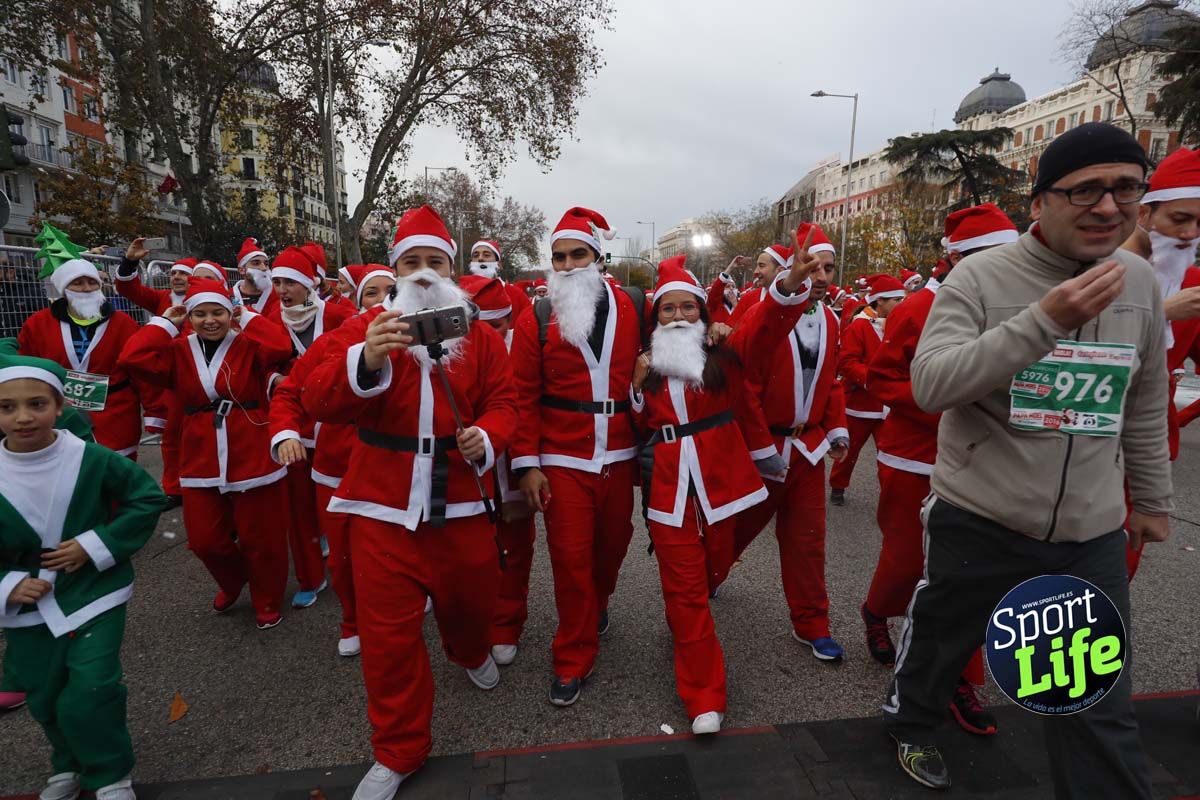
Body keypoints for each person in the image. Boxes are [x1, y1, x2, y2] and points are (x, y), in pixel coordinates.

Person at [884, 123, 1171, 796]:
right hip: (980, 515)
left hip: (1086, 535)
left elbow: (1145, 397)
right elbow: (933, 385)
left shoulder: (1139, 283)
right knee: (944, 644)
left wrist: (1152, 500)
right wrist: (1045, 320)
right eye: (1086, 190)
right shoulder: (980, 279)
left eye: (1127, 188)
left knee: (1092, 702)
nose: (1108, 207)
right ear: (1039, 203)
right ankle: (912, 724)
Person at [302, 205, 516, 800]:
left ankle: (469, 649)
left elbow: (506, 401)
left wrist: (490, 436)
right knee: (389, 638)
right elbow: (317, 395)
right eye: (412, 262)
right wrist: (366, 358)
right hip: (381, 506)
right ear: (395, 270)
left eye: (435, 262)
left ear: (451, 268)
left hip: (462, 504)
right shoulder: (363, 329)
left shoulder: (478, 336)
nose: (423, 273)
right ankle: (398, 749)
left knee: (472, 604)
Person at [631, 249, 815, 734]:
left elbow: (767, 326)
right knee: (686, 590)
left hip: (721, 486)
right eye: (667, 309)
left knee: (712, 567)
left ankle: (689, 619)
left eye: (687, 307)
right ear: (656, 317)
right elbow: (633, 429)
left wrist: (790, 282)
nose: (677, 317)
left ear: (702, 311)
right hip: (668, 491)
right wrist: (633, 391)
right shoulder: (644, 366)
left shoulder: (726, 355)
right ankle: (703, 696)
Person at [863, 205, 1017, 744]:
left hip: (981, 459)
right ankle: (877, 611)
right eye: (984, 257)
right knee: (906, 562)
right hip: (914, 458)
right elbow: (882, 378)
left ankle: (960, 680)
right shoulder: (916, 309)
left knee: (964, 575)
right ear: (954, 261)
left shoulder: (1022, 303)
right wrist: (946, 402)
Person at [0, 351, 164, 800]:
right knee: (45, 695)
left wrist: (95, 544)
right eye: (6, 407)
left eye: (37, 404)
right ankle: (68, 764)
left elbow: (146, 497)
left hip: (94, 593)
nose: (23, 417)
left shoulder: (90, 458)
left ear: (60, 407)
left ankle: (109, 773)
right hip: (26, 605)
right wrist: (7, 584)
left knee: (92, 688)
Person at [509, 206, 641, 707]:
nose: (566, 265)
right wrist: (528, 464)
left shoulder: (634, 305)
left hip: (621, 451)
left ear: (598, 257)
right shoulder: (535, 317)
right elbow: (521, 395)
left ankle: (598, 603)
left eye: (577, 254)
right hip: (562, 456)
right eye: (558, 257)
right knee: (568, 560)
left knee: (611, 547)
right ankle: (572, 654)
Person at [119, 277, 294, 630]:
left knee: (262, 538)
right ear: (189, 317)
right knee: (204, 540)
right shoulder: (178, 350)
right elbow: (131, 357)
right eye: (200, 314)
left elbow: (280, 346)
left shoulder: (249, 344)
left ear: (230, 313)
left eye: (218, 312)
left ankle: (267, 597)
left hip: (251, 449)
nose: (210, 320)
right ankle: (234, 580)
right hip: (200, 453)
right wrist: (166, 323)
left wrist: (244, 316)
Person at [725, 222, 848, 662]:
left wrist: (836, 429)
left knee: (808, 542)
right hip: (761, 450)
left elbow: (830, 380)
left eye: (828, 268)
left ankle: (813, 623)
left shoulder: (833, 319)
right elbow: (744, 383)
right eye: (812, 266)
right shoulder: (760, 310)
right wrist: (760, 450)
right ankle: (693, 596)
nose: (820, 276)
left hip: (808, 452)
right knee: (733, 533)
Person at [270, 263, 397, 657]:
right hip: (335, 470)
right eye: (370, 294)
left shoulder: (420, 340)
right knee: (342, 561)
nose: (380, 301)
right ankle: (352, 619)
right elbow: (291, 391)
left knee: (396, 557)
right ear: (357, 302)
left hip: (392, 471)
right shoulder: (341, 339)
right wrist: (286, 433)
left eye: (387, 291)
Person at [1119, 145, 1200, 578]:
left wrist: (1181, 418)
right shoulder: (1093, 264)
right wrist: (1163, 312)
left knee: (1115, 577)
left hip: (1143, 452)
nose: (1190, 235)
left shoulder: (1194, 281)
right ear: (1146, 214)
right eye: (1180, 219)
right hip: (1071, 445)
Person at [268, 245, 355, 608]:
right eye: (277, 282)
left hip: (335, 426)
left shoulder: (338, 315)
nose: (284, 290)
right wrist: (273, 378)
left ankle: (354, 571)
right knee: (298, 509)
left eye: (291, 282)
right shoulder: (269, 319)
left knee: (344, 505)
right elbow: (252, 362)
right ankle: (309, 576)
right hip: (294, 427)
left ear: (310, 283)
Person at [458, 274, 535, 666]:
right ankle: (475, 626)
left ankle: (506, 624)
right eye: (481, 326)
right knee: (472, 557)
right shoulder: (452, 353)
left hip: (513, 467)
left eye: (499, 324)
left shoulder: (524, 350)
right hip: (466, 474)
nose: (490, 333)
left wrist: (524, 473)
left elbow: (530, 412)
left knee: (515, 549)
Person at [18, 256, 146, 459]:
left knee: (116, 475)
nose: (86, 288)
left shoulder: (123, 323)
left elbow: (142, 369)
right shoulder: (38, 324)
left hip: (115, 412)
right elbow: (26, 367)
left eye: (92, 282)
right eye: (77, 283)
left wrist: (156, 412)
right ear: (64, 288)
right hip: (59, 413)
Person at [115, 245, 197, 504]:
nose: (177, 278)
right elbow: (130, 290)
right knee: (171, 437)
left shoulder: (209, 299)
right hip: (169, 377)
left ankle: (205, 486)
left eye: (183, 274)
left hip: (203, 375)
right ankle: (174, 489)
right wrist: (129, 262)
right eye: (173, 273)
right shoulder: (162, 299)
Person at [828, 273, 906, 507]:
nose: (901, 305)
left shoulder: (897, 325)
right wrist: (872, 381)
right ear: (879, 301)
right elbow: (848, 362)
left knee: (889, 453)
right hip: (859, 404)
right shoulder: (859, 326)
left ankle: (891, 494)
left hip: (886, 405)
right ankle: (838, 485)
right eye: (896, 301)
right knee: (849, 451)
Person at [467, 240, 533, 321]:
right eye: (476, 255)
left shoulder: (516, 294)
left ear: (499, 264)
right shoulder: (462, 294)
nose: (480, 258)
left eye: (486, 255)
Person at [727, 245, 794, 326]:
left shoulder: (799, 301)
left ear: (780, 271)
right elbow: (730, 331)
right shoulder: (747, 299)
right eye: (757, 266)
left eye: (761, 266)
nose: (756, 271)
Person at [232, 238, 280, 316]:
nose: (264, 268)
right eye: (256, 263)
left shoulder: (278, 296)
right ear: (242, 270)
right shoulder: (229, 296)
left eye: (266, 264)